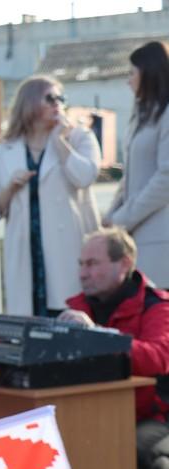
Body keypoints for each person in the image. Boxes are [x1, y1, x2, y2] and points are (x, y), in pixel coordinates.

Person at [58, 228, 169, 469]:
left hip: (154, 416)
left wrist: (98, 337)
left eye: (93, 263)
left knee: (133, 449)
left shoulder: (157, 306)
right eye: (81, 264)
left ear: (124, 263)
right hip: (99, 412)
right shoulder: (77, 308)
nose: (83, 273)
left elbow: (158, 358)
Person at [0, 75, 101, 317]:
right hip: (27, 249)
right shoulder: (4, 150)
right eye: (50, 98)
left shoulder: (78, 137)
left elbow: (86, 176)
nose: (58, 103)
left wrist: (60, 142)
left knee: (69, 315)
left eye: (61, 98)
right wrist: (11, 187)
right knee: (31, 319)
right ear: (29, 102)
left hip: (68, 246)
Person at [104, 41, 169, 287]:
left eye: (132, 73)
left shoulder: (166, 114)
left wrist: (123, 218)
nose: (128, 80)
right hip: (136, 239)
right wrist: (111, 216)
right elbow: (129, 176)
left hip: (160, 239)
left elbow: (166, 178)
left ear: (149, 72)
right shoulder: (142, 115)